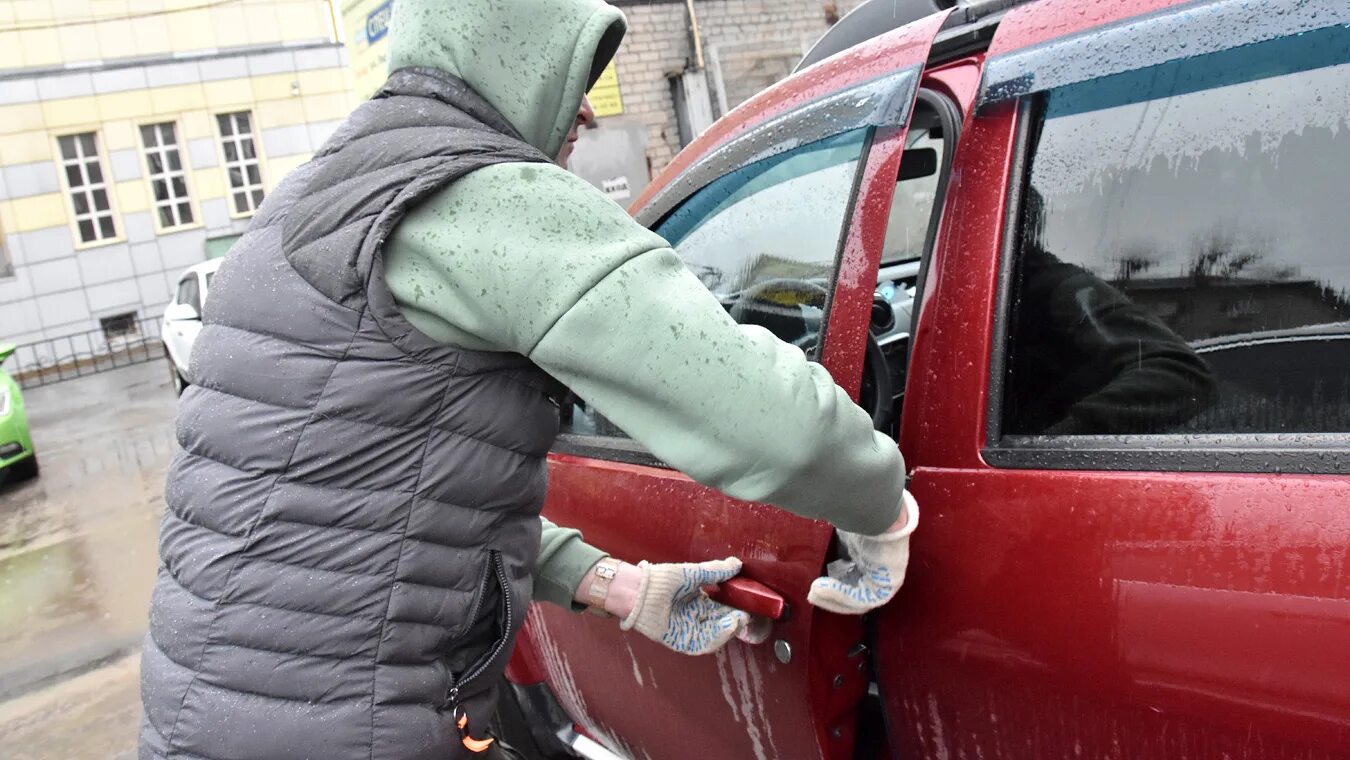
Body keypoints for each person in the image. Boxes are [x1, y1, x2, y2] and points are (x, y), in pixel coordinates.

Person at [139, 1, 918, 758]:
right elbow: (761, 417)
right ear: (508, 43)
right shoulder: (483, 196)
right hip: (343, 727)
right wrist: (880, 503)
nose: (583, 110)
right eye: (573, 63)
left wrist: (612, 585)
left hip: (204, 713)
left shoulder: (312, 200)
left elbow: (355, 497)